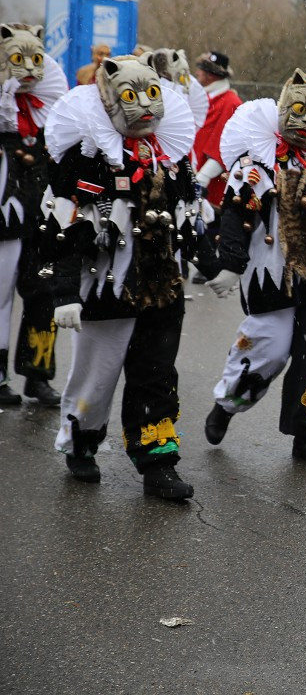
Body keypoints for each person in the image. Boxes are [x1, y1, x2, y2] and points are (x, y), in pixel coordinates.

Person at [41, 53, 207, 499]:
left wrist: (211, 258)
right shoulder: (85, 157)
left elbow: (186, 211)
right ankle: (81, 442)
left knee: (157, 372)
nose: (144, 108)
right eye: (132, 97)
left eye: (152, 94)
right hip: (105, 283)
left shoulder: (169, 155)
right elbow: (62, 224)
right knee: (97, 373)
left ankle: (157, 460)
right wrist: (63, 291)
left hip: (160, 281)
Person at [202, 69, 306, 468]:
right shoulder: (258, 160)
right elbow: (236, 211)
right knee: (268, 349)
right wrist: (231, 265)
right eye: (301, 111)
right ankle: (227, 403)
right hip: (272, 273)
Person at [0, 23, 67, 406]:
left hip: (40, 217)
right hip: (4, 217)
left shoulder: (50, 107)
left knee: (44, 292)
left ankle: (37, 374)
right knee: (0, 295)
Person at [192, 51, 242, 214]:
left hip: (209, 186)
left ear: (210, 74)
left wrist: (202, 178)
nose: (197, 72)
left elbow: (223, 147)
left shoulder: (231, 102)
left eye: (200, 69)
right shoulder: (203, 98)